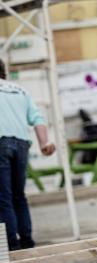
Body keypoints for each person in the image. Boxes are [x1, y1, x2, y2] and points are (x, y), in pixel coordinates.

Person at [0, 59, 55, 250]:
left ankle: (11, 247)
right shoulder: (20, 90)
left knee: (3, 198)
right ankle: (27, 242)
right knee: (19, 197)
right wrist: (44, 143)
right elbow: (37, 118)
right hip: (22, 144)